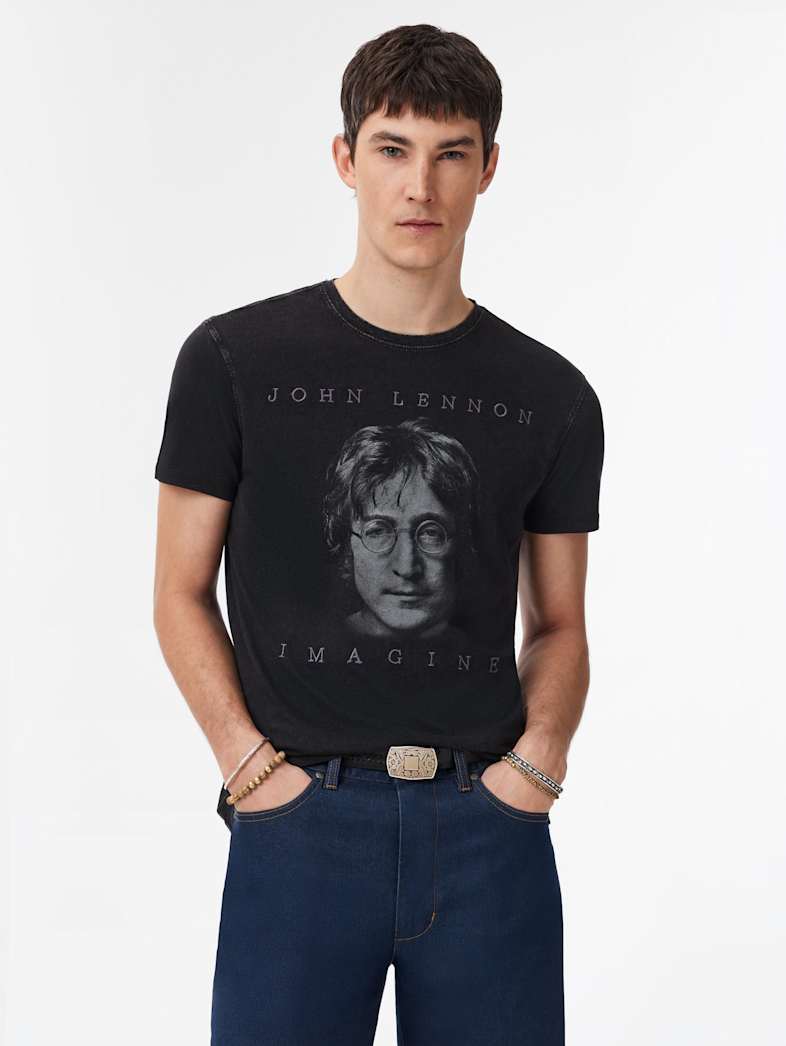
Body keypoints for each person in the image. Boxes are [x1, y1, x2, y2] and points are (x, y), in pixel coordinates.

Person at [153, 23, 604, 1046]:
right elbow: (178, 590)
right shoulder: (233, 360)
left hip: (488, 831)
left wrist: (533, 771)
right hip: (298, 825)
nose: (421, 186)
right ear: (346, 158)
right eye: (394, 149)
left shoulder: (552, 395)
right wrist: (250, 770)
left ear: (489, 168)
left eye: (451, 153)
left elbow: (562, 623)